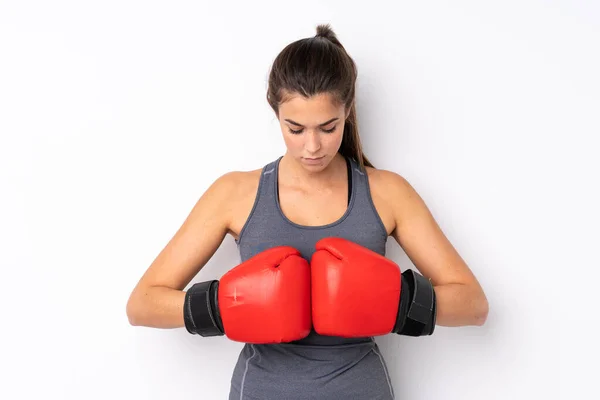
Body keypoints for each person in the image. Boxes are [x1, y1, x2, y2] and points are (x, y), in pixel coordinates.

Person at [126, 23, 489, 400]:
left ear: (347, 111)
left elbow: (473, 304)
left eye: (328, 128)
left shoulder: (388, 192)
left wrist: (396, 303)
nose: (312, 146)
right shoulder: (234, 193)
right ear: (275, 112)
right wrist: (223, 306)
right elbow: (142, 304)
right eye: (295, 128)